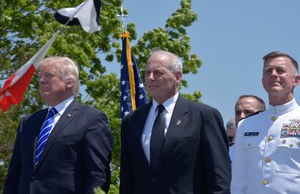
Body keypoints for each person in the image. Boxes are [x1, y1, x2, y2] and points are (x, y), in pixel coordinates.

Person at [120, 50, 231, 194]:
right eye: (147, 73)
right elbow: (127, 178)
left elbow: (219, 179)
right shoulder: (132, 120)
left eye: (158, 72)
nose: (151, 78)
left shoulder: (204, 116)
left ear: (177, 77)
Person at [3, 57, 113, 194]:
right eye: (40, 76)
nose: (41, 81)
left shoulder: (92, 119)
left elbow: (97, 175)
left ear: (69, 82)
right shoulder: (28, 122)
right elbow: (14, 176)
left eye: (48, 75)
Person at [231, 51, 300, 194]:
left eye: (280, 70)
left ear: (296, 80)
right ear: (263, 81)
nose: (274, 74)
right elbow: (239, 178)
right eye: (268, 71)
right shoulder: (246, 125)